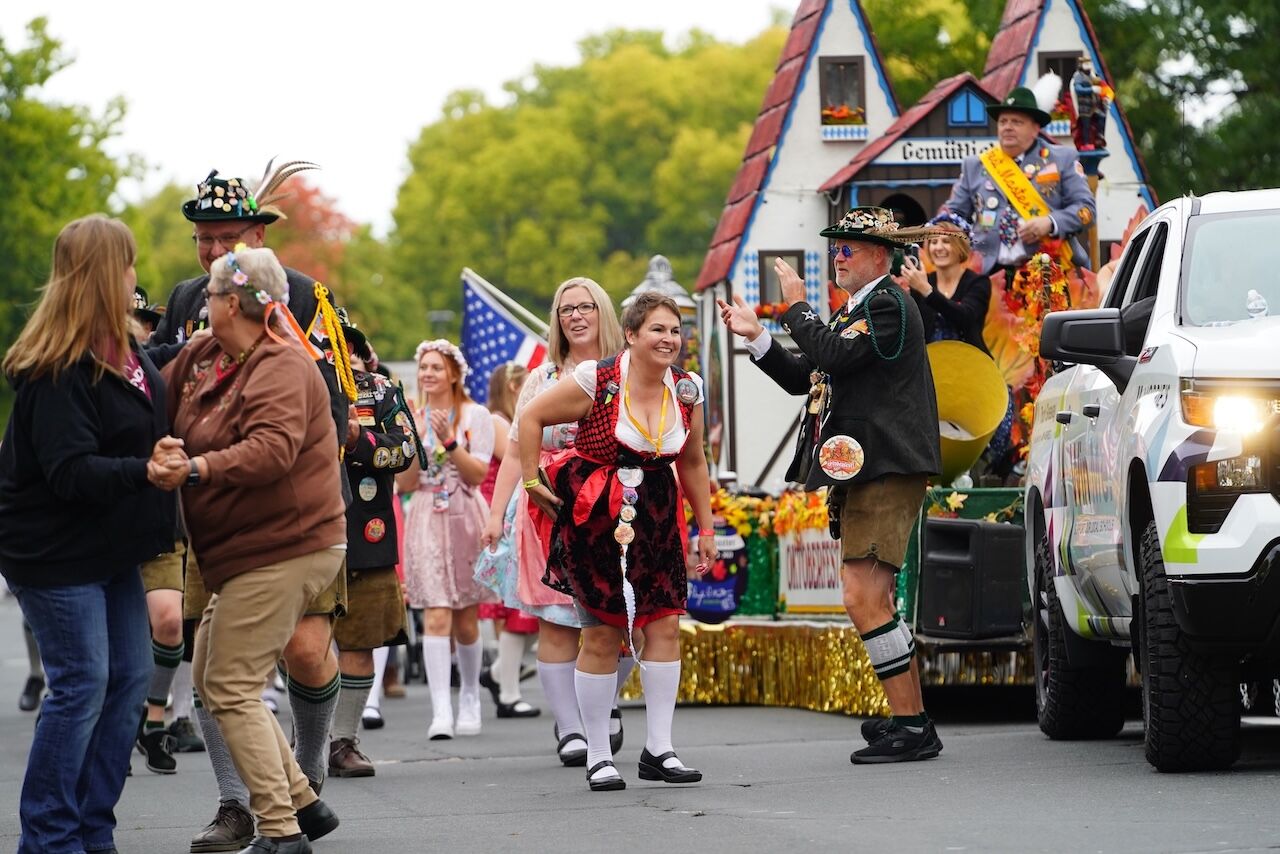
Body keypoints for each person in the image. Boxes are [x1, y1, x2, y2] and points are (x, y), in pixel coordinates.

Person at [153, 164, 350, 851]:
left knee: (297, 651)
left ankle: (306, 777)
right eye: (203, 241)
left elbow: (325, 409)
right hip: (214, 522)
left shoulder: (298, 302)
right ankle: (248, 804)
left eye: (225, 239)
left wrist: (202, 461)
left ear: (257, 236)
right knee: (215, 671)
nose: (212, 254)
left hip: (290, 520)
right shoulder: (188, 304)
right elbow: (152, 384)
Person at [718, 206, 945, 764]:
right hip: (871, 466)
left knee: (861, 595)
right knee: (873, 596)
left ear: (878, 255)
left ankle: (912, 724)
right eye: (835, 247)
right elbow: (809, 376)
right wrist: (760, 338)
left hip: (885, 465)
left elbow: (834, 355)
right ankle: (911, 720)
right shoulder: (861, 309)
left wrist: (795, 305)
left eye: (847, 247)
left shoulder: (889, 302)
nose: (836, 256)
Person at [0, 215, 178, 853]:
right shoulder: (58, 367)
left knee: (129, 681)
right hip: (54, 552)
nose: (135, 274)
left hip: (110, 549)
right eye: (127, 263)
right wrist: (147, 471)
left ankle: (91, 827)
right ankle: (49, 837)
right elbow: (70, 471)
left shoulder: (125, 353)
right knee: (81, 684)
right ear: (106, 273)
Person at [519, 291, 717, 792]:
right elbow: (530, 419)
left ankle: (660, 748)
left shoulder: (688, 390)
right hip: (595, 512)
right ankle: (598, 753)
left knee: (665, 625)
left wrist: (706, 526)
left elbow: (692, 462)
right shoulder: (598, 378)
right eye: (657, 329)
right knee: (603, 633)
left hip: (655, 511)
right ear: (631, 335)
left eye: (675, 331)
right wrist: (530, 482)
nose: (669, 339)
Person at [477, 277, 631, 766]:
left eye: (586, 306)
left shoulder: (626, 372)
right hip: (551, 510)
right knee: (558, 622)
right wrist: (495, 515)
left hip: (613, 508)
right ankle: (570, 729)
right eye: (566, 309)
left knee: (624, 620)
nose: (576, 315)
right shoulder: (541, 380)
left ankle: (602, 706)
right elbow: (514, 453)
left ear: (602, 312)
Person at [326, 309, 416, 778]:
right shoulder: (282, 381)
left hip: (366, 533)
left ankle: (342, 742)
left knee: (360, 642)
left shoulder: (381, 390)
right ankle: (309, 735)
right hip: (301, 533)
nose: (331, 350)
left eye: (340, 342)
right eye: (322, 341)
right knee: (303, 643)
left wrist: (360, 439)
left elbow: (405, 451)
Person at [396, 340, 495, 740]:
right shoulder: (412, 416)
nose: (428, 374)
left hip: (465, 515)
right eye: (423, 368)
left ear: (453, 372)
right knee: (436, 613)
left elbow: (476, 475)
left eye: (436, 367)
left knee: (466, 618)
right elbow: (404, 483)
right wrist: (412, 443)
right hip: (425, 513)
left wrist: (450, 441)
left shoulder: (476, 415)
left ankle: (470, 694)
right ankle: (441, 709)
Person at [944, 86, 1096, 274]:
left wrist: (1050, 223)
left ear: (1035, 128)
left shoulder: (1062, 159)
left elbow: (1086, 210)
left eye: (1016, 122)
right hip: (987, 274)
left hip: (1048, 271)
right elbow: (953, 216)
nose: (1007, 127)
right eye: (1003, 121)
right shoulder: (975, 165)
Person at [476, 362, 542, 719]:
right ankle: (507, 688)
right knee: (518, 608)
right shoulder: (501, 423)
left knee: (534, 609)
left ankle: (500, 674)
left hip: (523, 513)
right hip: (510, 515)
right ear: (514, 388)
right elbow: (519, 459)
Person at [896, 213, 992, 353]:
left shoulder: (978, 283)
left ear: (961, 246)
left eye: (946, 241)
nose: (938, 247)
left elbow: (966, 317)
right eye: (934, 242)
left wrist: (927, 291)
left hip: (971, 364)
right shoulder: (921, 282)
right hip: (931, 364)